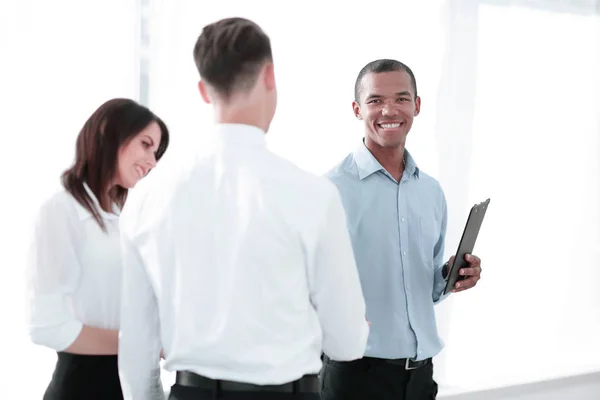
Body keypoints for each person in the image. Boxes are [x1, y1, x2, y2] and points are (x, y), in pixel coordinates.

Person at [117, 17, 369, 400]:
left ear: (203, 90)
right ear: (269, 75)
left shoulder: (148, 196)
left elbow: (136, 344)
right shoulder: (312, 194)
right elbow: (346, 344)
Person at [321, 59, 483, 400]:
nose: (389, 110)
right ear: (356, 109)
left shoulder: (431, 191)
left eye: (401, 98)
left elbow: (427, 287)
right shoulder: (329, 191)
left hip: (421, 376)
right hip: (355, 376)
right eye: (375, 100)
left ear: (417, 105)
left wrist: (451, 276)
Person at [26, 98, 170, 400]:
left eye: (156, 153)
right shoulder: (61, 211)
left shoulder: (122, 221)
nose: (153, 161)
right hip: (84, 386)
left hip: (132, 385)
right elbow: (46, 326)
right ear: (110, 134)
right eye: (146, 144)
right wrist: (139, 343)